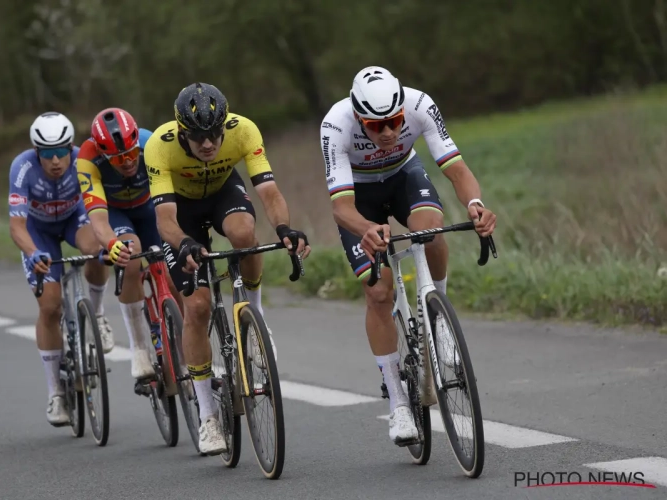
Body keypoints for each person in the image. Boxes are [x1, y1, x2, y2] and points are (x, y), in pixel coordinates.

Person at [319, 66, 497, 445]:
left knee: (431, 230)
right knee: (379, 292)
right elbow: (341, 207)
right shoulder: (335, 125)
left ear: (403, 110)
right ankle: (398, 404)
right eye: (374, 126)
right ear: (357, 117)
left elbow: (457, 168)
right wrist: (366, 229)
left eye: (394, 123)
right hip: (359, 196)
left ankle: (438, 317)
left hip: (404, 176)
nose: (386, 133)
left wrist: (476, 204)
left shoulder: (420, 104)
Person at [145, 82, 311, 455]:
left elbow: (269, 192)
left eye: (215, 134)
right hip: (180, 210)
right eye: (199, 136)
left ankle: (255, 315)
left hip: (222, 192)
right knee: (199, 307)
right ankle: (207, 415)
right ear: (182, 133)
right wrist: (184, 242)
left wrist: (284, 228)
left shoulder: (244, 130)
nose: (208, 143)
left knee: (244, 233)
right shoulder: (159, 144)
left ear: (225, 126)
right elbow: (164, 218)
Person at [8, 112, 113, 426]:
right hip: (38, 233)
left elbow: (99, 208)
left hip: (74, 219)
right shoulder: (22, 167)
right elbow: (16, 226)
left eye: (61, 152)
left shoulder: (84, 160)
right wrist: (32, 251)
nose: (55, 161)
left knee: (95, 250)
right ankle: (55, 394)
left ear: (70, 148)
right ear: (36, 152)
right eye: (47, 154)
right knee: (50, 308)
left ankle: (96, 315)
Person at [76, 107, 181, 381]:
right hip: (116, 212)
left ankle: (185, 338)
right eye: (117, 158)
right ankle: (139, 348)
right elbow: (98, 219)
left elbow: (175, 193)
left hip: (150, 207)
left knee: (174, 273)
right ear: (102, 154)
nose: (127, 162)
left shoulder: (151, 144)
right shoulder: (87, 160)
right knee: (130, 255)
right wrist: (111, 243)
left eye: (132, 154)